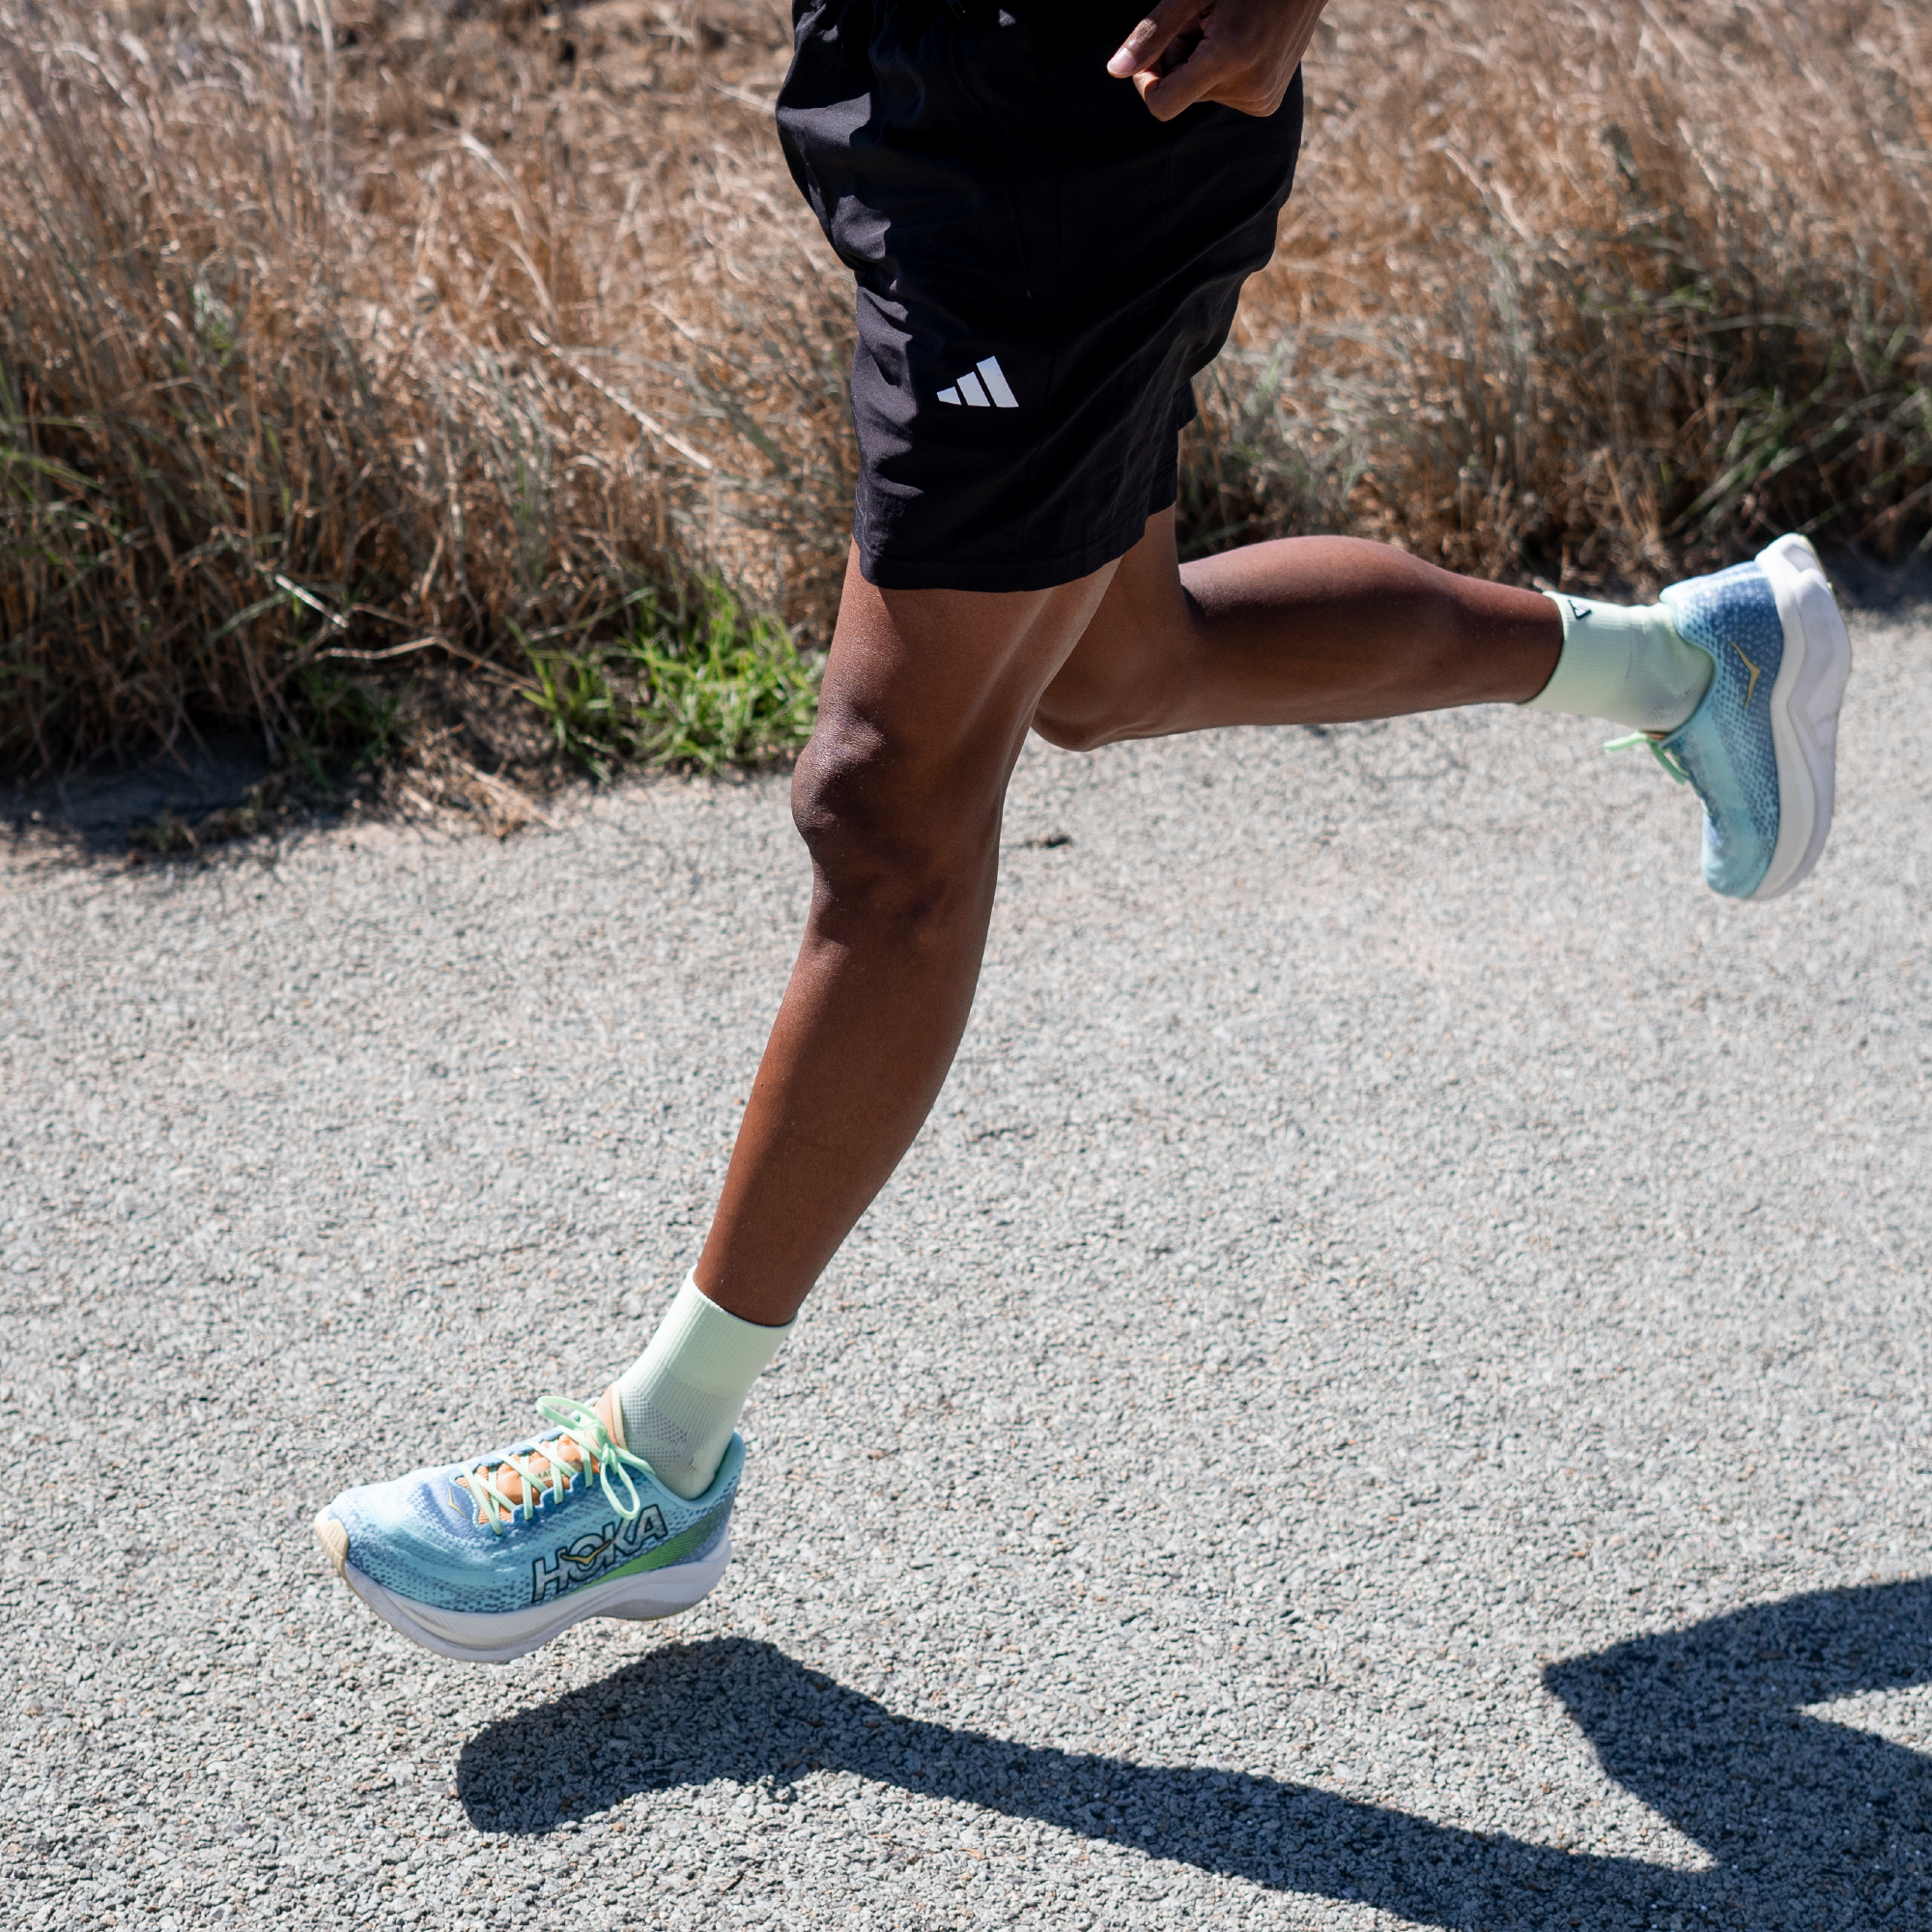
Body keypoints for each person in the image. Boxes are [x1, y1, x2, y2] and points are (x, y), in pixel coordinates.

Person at [313, 0, 1851, 1663]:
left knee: (887, 805)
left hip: (1083, 128)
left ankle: (659, 1457)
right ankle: (1690, 666)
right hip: (930, 92)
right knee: (1120, 665)